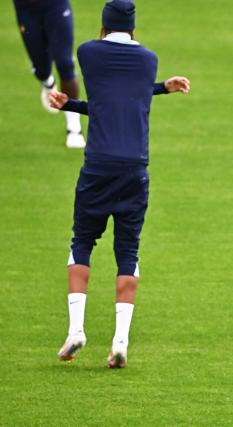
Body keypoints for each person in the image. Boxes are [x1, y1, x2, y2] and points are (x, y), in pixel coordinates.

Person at [48, 0, 190, 368]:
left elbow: (106, 102)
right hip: (134, 170)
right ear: (133, 25)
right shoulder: (148, 60)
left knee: (82, 241)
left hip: (97, 166)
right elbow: (126, 101)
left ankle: (76, 329)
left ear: (104, 22)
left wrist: (68, 105)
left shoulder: (88, 53)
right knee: (128, 251)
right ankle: (120, 340)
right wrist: (162, 87)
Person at [13, 0, 85, 148]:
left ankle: (74, 129)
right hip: (26, 8)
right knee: (41, 69)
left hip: (56, 4)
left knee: (65, 64)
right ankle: (48, 83)